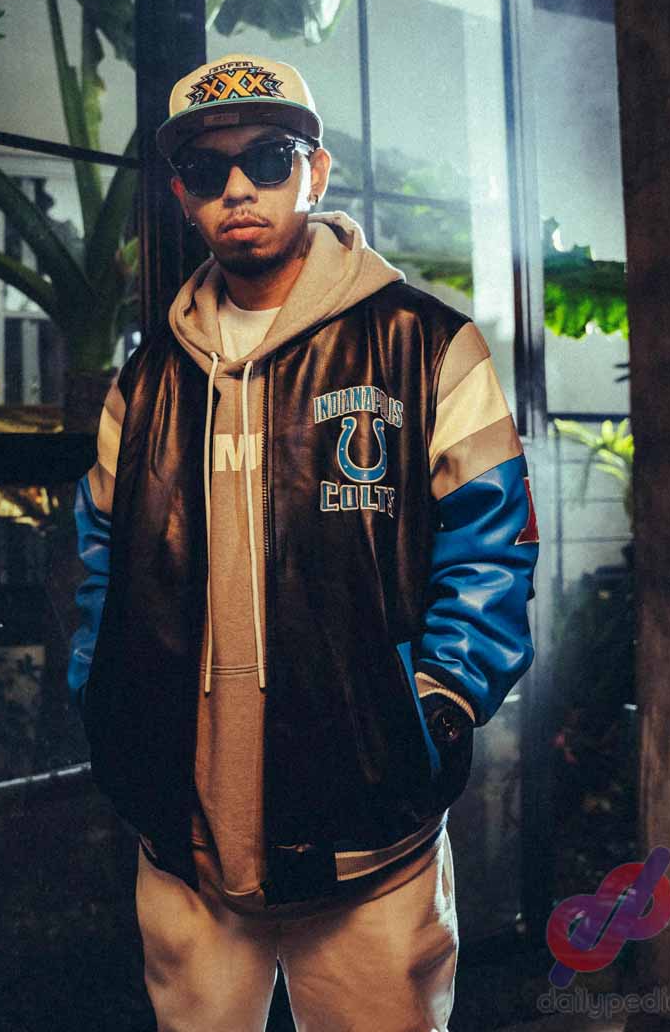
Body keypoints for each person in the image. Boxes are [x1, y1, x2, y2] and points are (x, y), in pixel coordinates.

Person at [68, 53, 539, 1032]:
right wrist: (102, 693)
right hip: (183, 839)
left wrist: (434, 709)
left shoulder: (428, 345)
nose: (238, 188)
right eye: (208, 170)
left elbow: (491, 552)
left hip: (371, 836)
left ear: (314, 173)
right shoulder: (145, 380)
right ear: (183, 196)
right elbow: (99, 556)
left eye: (269, 158)